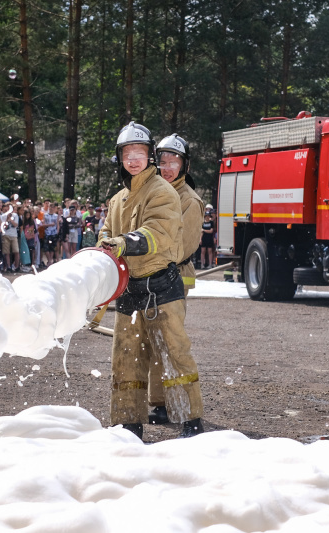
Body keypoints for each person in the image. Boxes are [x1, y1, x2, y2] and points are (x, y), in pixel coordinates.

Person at [98, 121, 204, 440]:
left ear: (150, 157)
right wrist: (103, 242)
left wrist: (124, 244)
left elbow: (157, 232)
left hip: (162, 287)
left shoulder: (163, 192)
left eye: (139, 153)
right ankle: (128, 423)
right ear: (120, 158)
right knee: (126, 357)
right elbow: (106, 229)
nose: (133, 159)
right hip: (129, 290)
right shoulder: (118, 199)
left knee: (174, 352)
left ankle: (190, 421)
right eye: (127, 153)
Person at [145, 133, 205, 425]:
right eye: (163, 161)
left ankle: (176, 404)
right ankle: (159, 401)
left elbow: (185, 246)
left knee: (170, 343)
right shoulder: (152, 192)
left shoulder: (189, 201)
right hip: (148, 277)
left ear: (185, 165)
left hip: (174, 278)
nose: (167, 167)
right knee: (152, 341)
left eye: (174, 161)